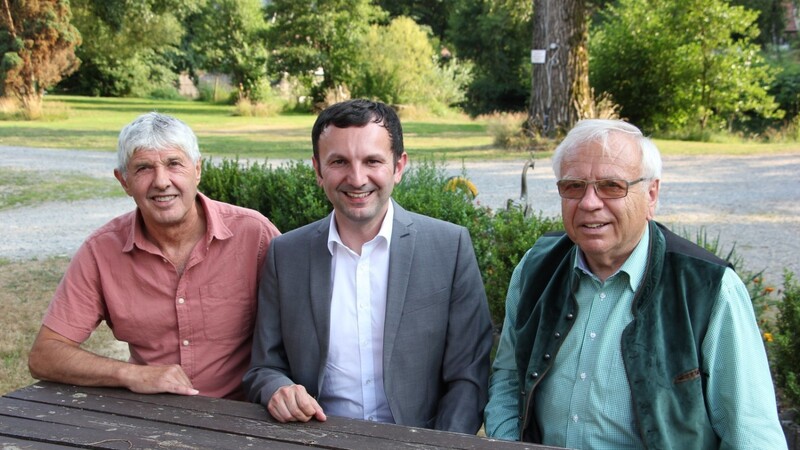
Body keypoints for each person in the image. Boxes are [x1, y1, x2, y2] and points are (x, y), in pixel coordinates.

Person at [484, 119, 787, 449]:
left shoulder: (708, 289)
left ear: (652, 194)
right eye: (573, 186)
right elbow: (510, 379)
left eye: (612, 186)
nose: (589, 203)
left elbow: (751, 432)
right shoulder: (536, 268)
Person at [242, 99, 493, 434]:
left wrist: (438, 446)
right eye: (339, 162)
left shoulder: (449, 248)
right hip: (315, 437)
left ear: (399, 166)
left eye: (372, 161)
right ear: (318, 170)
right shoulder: (286, 255)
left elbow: (469, 376)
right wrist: (277, 389)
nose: (357, 178)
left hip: (419, 442)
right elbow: (264, 367)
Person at [28, 112, 281, 400]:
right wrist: (131, 374)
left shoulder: (254, 234)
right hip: (151, 417)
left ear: (197, 170)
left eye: (174, 164)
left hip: (245, 412)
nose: (161, 181)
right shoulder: (102, 251)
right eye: (144, 168)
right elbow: (44, 355)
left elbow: (299, 331)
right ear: (123, 181)